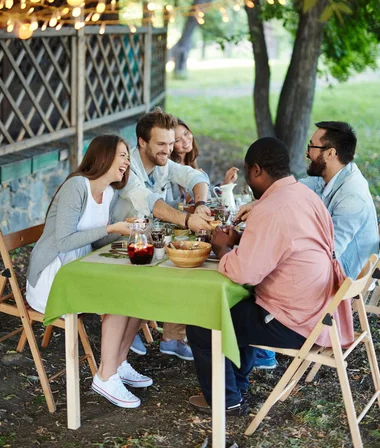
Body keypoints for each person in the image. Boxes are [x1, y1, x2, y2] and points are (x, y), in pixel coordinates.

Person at [186, 137, 353, 416]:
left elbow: (244, 273)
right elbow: (286, 246)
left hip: (295, 321)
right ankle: (237, 386)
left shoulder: (270, 208)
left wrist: (223, 248)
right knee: (239, 311)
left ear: (256, 170)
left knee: (204, 322)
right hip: (319, 308)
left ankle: (227, 401)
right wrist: (242, 238)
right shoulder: (305, 195)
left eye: (248, 173)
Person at [26, 135, 152, 409]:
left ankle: (117, 363)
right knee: (119, 295)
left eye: (127, 157)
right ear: (103, 156)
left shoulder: (108, 193)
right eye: (122, 155)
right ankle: (105, 377)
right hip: (55, 276)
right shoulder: (76, 186)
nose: (127, 161)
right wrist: (111, 229)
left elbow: (94, 241)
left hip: (81, 269)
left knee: (138, 289)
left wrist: (124, 228)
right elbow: (64, 241)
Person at [114, 108, 213, 360]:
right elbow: (151, 203)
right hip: (118, 244)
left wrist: (201, 203)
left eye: (171, 144)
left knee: (186, 264)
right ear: (142, 142)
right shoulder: (128, 167)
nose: (168, 150)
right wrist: (189, 220)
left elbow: (196, 177)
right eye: (161, 144)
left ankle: (172, 337)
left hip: (150, 239)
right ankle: (122, 326)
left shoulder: (163, 163)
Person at [300, 121, 379, 279]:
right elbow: (294, 189)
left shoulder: (352, 197)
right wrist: (264, 201)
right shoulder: (332, 174)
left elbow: (330, 252)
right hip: (326, 266)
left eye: (311, 147)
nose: (307, 153)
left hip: (343, 279)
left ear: (330, 153)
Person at [169, 118, 239, 206]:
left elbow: (206, 194)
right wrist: (192, 191)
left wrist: (225, 183)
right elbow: (171, 205)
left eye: (186, 133)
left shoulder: (190, 160)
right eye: (177, 140)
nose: (185, 140)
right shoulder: (171, 169)